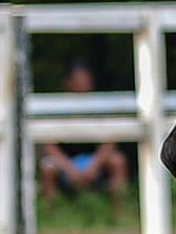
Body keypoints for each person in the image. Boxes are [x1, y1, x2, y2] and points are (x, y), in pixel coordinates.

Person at [39, 59, 130, 213]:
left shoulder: (99, 106)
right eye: (78, 80)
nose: (83, 84)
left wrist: (94, 165)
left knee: (117, 161)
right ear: (68, 83)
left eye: (86, 80)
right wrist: (69, 168)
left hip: (94, 161)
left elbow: (110, 140)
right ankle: (50, 213)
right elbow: (48, 144)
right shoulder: (57, 107)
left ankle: (119, 213)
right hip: (65, 163)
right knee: (47, 166)